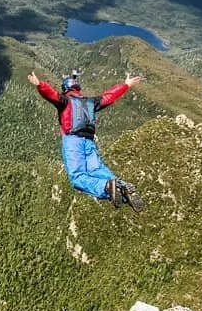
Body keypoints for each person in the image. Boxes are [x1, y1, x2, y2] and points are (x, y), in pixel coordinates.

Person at [27, 68, 145, 211]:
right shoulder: (91, 102)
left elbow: (51, 95)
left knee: (77, 177)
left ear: (66, 89)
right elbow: (108, 96)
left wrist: (40, 84)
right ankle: (121, 186)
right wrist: (125, 84)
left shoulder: (65, 101)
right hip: (89, 142)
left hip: (72, 141)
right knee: (97, 170)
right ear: (78, 88)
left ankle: (106, 187)